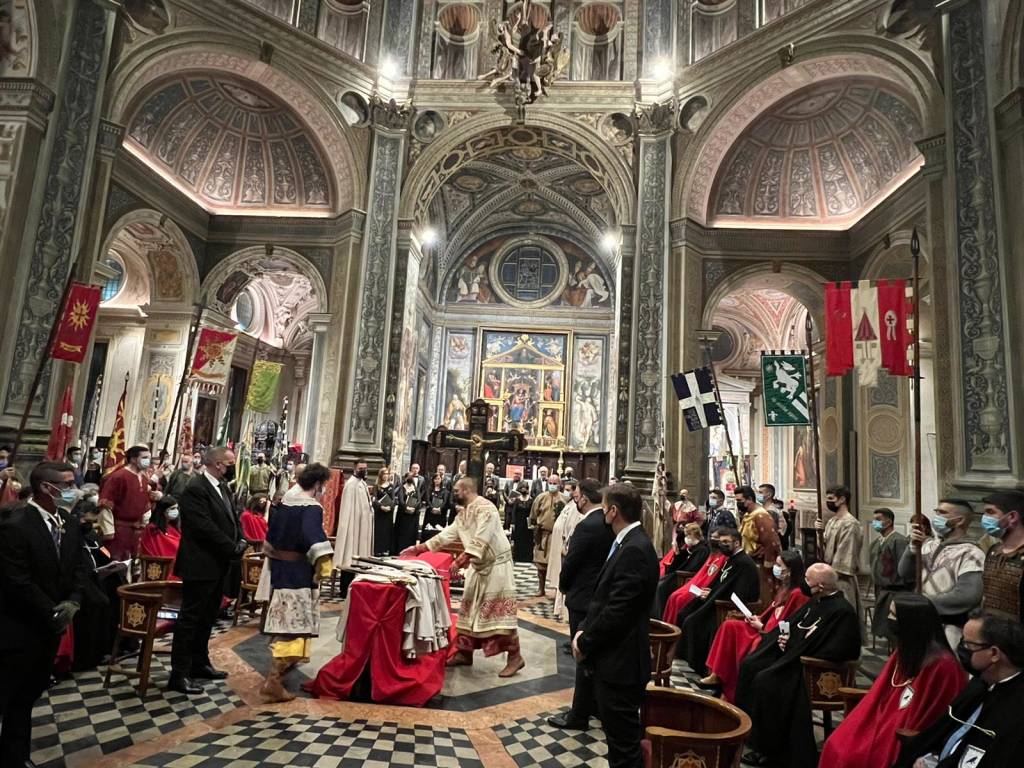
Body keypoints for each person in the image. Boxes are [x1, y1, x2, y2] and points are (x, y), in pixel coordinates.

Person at [0, 461, 89, 766]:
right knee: (6, 693)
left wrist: (74, 601)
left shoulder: (68, 521)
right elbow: (17, 579)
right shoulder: (16, 525)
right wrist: (51, 611)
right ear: (46, 488)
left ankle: (15, 757)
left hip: (49, 628)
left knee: (27, 696)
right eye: (66, 484)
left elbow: (78, 567)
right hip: (18, 626)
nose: (72, 489)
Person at [735, 563, 862, 768]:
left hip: (811, 668)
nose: (804, 583)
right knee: (751, 665)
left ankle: (771, 750)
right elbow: (794, 628)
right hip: (792, 657)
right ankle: (747, 734)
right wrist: (781, 639)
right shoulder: (816, 602)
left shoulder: (842, 612)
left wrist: (794, 646)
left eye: (808, 580)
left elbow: (842, 649)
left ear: (820, 585)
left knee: (765, 681)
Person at [821, 593, 966, 768]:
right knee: (835, 745)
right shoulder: (906, 650)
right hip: (881, 719)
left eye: (893, 615)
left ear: (911, 622)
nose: (889, 620)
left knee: (853, 757)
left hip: (905, 733)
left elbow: (934, 715)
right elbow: (879, 694)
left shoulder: (943, 666)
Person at [571, 483, 659, 768]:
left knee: (624, 747)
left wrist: (585, 641)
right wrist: (584, 626)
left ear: (613, 511)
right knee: (617, 740)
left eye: (605, 506)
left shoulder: (635, 548)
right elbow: (602, 597)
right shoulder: (626, 541)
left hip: (621, 664)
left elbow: (618, 611)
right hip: (613, 660)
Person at [404, 477, 525, 677]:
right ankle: (464, 653)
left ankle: (515, 657)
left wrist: (460, 561)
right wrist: (418, 548)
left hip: (496, 566)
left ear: (468, 490)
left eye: (457, 490)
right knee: (467, 611)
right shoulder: (464, 514)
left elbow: (482, 538)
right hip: (479, 567)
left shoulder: (487, 508)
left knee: (499, 613)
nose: (454, 494)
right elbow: (446, 536)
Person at [894, 612, 1024, 768]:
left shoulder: (1016, 708)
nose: (961, 650)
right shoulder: (979, 684)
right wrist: (930, 756)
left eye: (968, 645)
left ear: (994, 653)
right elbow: (943, 732)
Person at [168, 447, 247, 695]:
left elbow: (232, 517)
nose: (232, 466)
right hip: (201, 563)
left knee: (208, 617)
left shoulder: (222, 486)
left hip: (218, 564)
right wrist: (231, 547)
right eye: (229, 462)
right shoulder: (195, 488)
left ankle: (199, 662)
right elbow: (203, 526)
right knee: (190, 619)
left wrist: (241, 539)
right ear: (216, 463)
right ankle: (179, 674)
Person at [258, 463, 334, 703]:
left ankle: (278, 677)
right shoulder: (310, 508)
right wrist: (324, 566)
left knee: (285, 622)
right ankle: (273, 681)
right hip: (298, 572)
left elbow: (270, 538)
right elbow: (313, 537)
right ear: (319, 484)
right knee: (293, 626)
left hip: (281, 570)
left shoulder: (286, 502)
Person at [699, 550, 809, 701]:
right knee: (729, 626)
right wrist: (758, 619)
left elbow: (787, 623)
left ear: (789, 570)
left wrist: (762, 627)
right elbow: (772, 611)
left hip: (770, 637)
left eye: (778, 565)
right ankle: (717, 674)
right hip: (762, 627)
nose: (775, 567)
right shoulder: (784, 587)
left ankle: (730, 689)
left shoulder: (797, 594)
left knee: (751, 645)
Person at [548, 479, 614, 730]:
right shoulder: (608, 524)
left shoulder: (587, 525)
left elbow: (572, 562)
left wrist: (564, 586)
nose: (574, 499)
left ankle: (578, 715)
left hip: (583, 597)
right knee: (593, 655)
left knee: (582, 655)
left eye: (575, 494)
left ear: (584, 497)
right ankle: (594, 705)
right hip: (598, 596)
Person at [675, 527, 761, 674]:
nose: (722, 545)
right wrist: (711, 591)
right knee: (684, 612)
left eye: (726, 542)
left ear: (737, 543)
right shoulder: (732, 559)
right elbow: (721, 583)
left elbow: (740, 593)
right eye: (721, 542)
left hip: (726, 607)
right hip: (716, 600)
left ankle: (701, 667)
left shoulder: (744, 563)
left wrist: (715, 595)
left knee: (694, 621)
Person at [899, 499, 985, 646]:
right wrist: (912, 549)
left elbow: (967, 596)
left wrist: (922, 603)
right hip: (921, 622)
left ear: (960, 520)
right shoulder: (929, 545)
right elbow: (905, 574)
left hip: (949, 629)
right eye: (936, 512)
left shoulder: (971, 553)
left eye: (942, 513)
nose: (936, 517)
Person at [815, 484, 864, 626]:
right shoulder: (832, 521)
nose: (828, 502)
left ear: (842, 499)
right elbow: (824, 548)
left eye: (831, 498)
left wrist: (827, 576)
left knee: (841, 622)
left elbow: (844, 556)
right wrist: (819, 534)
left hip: (840, 581)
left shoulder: (850, 524)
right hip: (828, 578)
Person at [98, 444, 157, 559]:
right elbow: (106, 504)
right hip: (119, 529)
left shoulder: (144, 478)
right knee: (115, 563)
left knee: (133, 564)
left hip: (136, 530)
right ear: (134, 459)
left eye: (149, 458)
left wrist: (144, 523)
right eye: (144, 458)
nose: (148, 461)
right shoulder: (118, 477)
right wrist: (108, 531)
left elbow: (144, 503)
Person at [658, 529, 728, 621]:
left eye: (715, 538)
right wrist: (681, 552)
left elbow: (697, 571)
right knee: (671, 594)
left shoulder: (704, 550)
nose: (712, 540)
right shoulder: (710, 553)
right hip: (688, 579)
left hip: (689, 580)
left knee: (676, 597)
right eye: (711, 537)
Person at [980, 489, 1024, 622]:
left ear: (1012, 517)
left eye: (990, 512)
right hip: (992, 630)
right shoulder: (994, 551)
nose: (984, 517)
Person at [870, 506, 912, 643]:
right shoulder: (876, 543)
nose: (874, 522)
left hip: (896, 591)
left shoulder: (898, 541)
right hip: (882, 589)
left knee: (894, 630)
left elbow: (903, 567)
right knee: (885, 628)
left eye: (878, 519)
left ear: (888, 522)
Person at [332, 459, 373, 570]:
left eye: (365, 468)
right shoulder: (350, 484)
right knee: (352, 545)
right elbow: (346, 508)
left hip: (363, 522)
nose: (363, 471)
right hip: (353, 522)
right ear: (355, 468)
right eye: (361, 469)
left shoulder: (362, 482)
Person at [546, 478, 580, 605]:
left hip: (565, 544)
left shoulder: (576, 507)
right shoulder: (568, 504)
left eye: (568, 490)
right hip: (559, 544)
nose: (566, 492)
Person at [733, 485, 780, 574]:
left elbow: (771, 542)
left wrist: (768, 565)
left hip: (759, 564)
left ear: (749, 499)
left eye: (740, 500)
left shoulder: (761, 516)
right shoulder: (748, 514)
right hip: (748, 562)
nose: (738, 503)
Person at [530, 473, 563, 595]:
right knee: (540, 563)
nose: (552, 485)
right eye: (550, 483)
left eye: (555, 483)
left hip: (557, 535)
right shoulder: (541, 498)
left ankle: (556, 589)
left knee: (557, 563)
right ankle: (541, 587)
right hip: (542, 534)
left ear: (559, 485)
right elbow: (533, 515)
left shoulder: (564, 499)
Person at [139, 495, 183, 579]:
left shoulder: (173, 528)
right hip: (162, 569)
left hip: (178, 567)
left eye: (177, 508)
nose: (176, 511)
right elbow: (151, 553)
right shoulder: (152, 529)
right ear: (163, 511)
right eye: (172, 509)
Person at [394, 471, 425, 552]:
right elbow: (401, 500)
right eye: (409, 476)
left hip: (413, 515)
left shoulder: (416, 488)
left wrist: (414, 508)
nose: (410, 478)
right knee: (403, 534)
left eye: (412, 476)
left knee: (411, 534)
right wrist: (406, 508)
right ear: (405, 478)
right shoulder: (402, 488)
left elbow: (419, 500)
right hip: (404, 515)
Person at [506, 480, 534, 562]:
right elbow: (514, 512)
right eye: (522, 488)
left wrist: (532, 523)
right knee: (518, 540)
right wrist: (513, 523)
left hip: (527, 524)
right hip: (518, 523)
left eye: (525, 488)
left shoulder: (531, 500)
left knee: (527, 540)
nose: (523, 490)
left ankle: (527, 557)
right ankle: (518, 557)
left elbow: (532, 512)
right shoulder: (517, 500)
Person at [372, 467, 396, 556]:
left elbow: (393, 499)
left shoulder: (391, 486)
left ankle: (386, 549)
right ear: (381, 475)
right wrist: (381, 506)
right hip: (380, 512)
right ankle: (378, 549)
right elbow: (374, 499)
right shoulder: (376, 486)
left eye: (387, 474)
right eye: (384, 474)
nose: (386, 476)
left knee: (387, 531)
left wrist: (390, 507)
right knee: (379, 530)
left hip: (388, 512)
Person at [422, 471, 451, 541]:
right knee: (428, 532)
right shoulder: (429, 489)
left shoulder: (445, 491)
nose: (437, 480)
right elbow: (428, 500)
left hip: (440, 514)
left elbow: (445, 501)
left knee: (438, 533)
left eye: (438, 479)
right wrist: (432, 508)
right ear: (433, 480)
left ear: (441, 480)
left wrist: (439, 508)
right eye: (435, 479)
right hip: (430, 514)